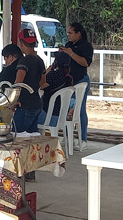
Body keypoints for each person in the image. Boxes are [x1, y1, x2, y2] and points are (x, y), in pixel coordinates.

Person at [60, 22, 94, 151]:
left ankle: (83, 138)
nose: (68, 35)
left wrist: (71, 54)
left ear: (78, 33)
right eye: (67, 33)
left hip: (80, 80)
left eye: (70, 33)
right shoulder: (69, 45)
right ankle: (68, 135)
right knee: (66, 109)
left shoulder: (86, 46)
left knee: (79, 110)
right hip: (68, 81)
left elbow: (86, 63)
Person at [12, 29, 46, 134]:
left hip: (24, 104)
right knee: (32, 137)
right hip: (36, 103)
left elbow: (18, 84)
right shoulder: (39, 60)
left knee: (16, 136)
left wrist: (13, 101)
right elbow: (43, 82)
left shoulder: (24, 61)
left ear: (21, 43)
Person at [38, 51, 73, 127]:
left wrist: (45, 73)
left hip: (49, 116)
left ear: (55, 63)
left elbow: (38, 86)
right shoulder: (68, 77)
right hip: (62, 116)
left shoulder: (53, 75)